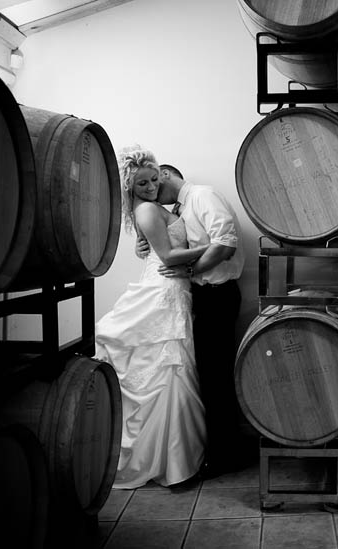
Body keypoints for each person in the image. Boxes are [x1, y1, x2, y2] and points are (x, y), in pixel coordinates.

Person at [94, 147, 207, 489]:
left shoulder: (156, 208)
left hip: (174, 289)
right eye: (141, 183)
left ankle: (175, 458)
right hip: (164, 290)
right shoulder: (146, 211)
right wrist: (215, 246)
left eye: (154, 179)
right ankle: (170, 463)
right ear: (130, 186)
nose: (150, 187)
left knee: (173, 368)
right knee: (167, 368)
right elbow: (169, 255)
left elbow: (159, 247)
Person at [137, 162, 249, 478]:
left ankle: (225, 456)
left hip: (219, 294)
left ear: (166, 175)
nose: (151, 192)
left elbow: (225, 244)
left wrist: (190, 271)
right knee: (208, 376)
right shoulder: (181, 209)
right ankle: (224, 449)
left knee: (216, 377)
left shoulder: (202, 195)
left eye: (154, 183)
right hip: (202, 296)